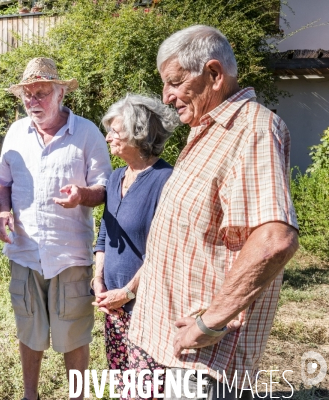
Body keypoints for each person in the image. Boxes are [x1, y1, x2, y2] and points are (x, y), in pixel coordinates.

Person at [126, 25, 300, 400]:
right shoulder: (209, 130)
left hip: (203, 363)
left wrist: (210, 322)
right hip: (170, 347)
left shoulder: (252, 129)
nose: (166, 96)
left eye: (174, 82)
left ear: (214, 74)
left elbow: (274, 239)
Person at [0, 57, 112, 400]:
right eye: (27, 95)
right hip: (26, 253)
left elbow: (104, 189)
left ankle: (77, 396)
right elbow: (3, 183)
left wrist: (82, 196)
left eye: (41, 93)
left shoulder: (87, 133)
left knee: (74, 334)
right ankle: (30, 395)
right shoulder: (16, 133)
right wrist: (4, 214)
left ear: (60, 93)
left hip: (69, 256)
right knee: (29, 331)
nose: (33, 101)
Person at [92, 94, 179, 398]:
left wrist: (128, 292)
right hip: (113, 306)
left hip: (147, 307)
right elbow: (105, 233)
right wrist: (98, 280)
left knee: (146, 389)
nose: (108, 137)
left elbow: (164, 252)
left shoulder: (166, 180)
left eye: (115, 130)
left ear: (138, 132)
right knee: (121, 383)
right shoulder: (116, 177)